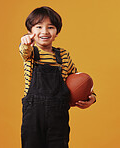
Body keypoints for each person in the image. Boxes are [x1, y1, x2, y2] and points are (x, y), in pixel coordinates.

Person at [19, 6, 96, 148]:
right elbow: (24, 50)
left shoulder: (64, 56)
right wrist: (25, 42)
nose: (45, 31)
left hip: (58, 117)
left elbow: (78, 80)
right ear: (30, 32)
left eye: (51, 27)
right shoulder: (30, 53)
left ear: (57, 33)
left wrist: (91, 98)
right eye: (38, 27)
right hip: (33, 116)